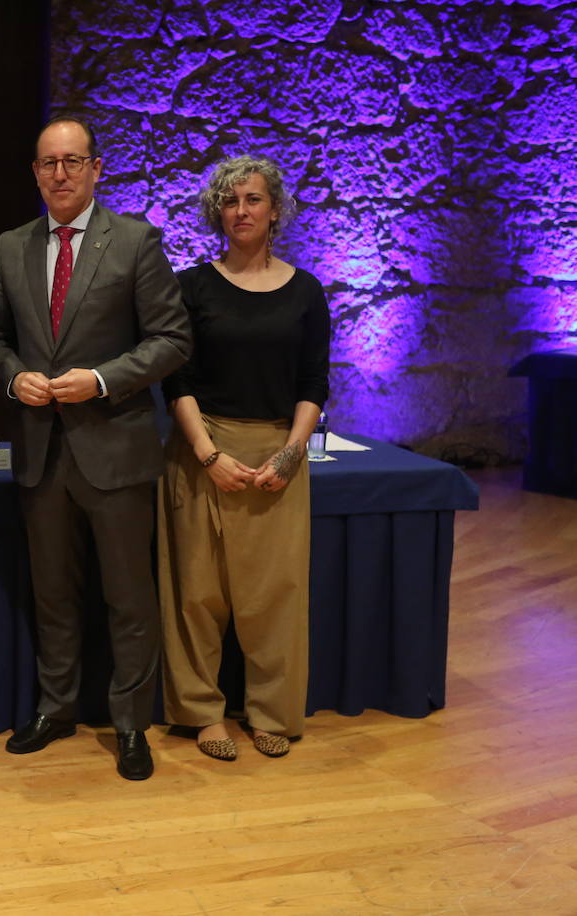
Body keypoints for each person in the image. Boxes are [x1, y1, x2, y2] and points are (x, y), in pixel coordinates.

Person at [0, 114, 191, 781]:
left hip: (117, 448)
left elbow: (171, 339)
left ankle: (130, 722)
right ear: (35, 173)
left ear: (97, 169)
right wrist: (15, 378)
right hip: (40, 449)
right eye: (48, 163)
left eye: (73, 162)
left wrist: (100, 380)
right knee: (53, 593)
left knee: (129, 596)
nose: (61, 174)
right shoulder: (11, 247)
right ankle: (56, 706)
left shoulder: (134, 241)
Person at [158, 155, 330, 761]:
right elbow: (176, 380)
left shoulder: (306, 291)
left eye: (252, 200)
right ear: (217, 213)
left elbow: (314, 381)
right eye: (229, 202)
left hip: (279, 453)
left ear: (275, 209)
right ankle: (202, 712)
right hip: (202, 447)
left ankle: (271, 713)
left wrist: (289, 454)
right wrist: (208, 454)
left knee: (274, 594)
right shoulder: (192, 287)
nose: (240, 211)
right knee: (197, 593)